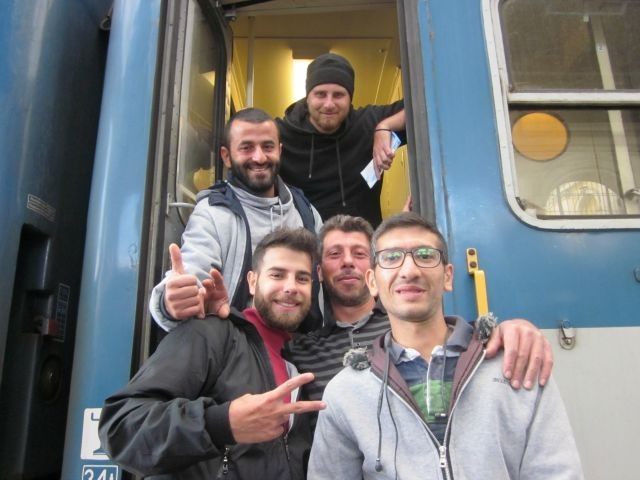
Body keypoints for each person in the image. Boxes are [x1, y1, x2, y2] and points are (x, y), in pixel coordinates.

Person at [308, 213, 583, 479]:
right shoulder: (345, 392)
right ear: (372, 282)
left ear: (448, 276)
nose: (409, 270)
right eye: (391, 258)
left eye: (425, 256)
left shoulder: (515, 362)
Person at [99, 228, 326, 479]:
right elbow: (121, 428)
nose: (291, 287)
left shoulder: (298, 362)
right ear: (252, 282)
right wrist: (221, 424)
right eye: (277, 275)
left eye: (302, 279)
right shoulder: (212, 333)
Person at [286, 215, 552, 403]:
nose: (347, 262)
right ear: (319, 272)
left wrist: (514, 329)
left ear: (373, 271)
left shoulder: (413, 322)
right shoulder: (301, 351)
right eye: (334, 254)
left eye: (359, 253)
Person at [149, 107, 323, 332]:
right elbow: (193, 272)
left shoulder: (305, 211)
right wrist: (168, 302)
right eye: (247, 148)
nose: (259, 157)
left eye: (267, 147)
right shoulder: (212, 212)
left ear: (279, 151)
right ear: (226, 156)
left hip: (302, 350)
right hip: (239, 352)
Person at [277, 53, 406, 227]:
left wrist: (386, 125)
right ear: (308, 97)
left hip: (363, 247)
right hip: (305, 248)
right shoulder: (281, 134)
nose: (329, 104)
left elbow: (427, 103)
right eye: (320, 94)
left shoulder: (367, 123)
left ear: (350, 98)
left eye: (338, 95)